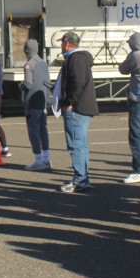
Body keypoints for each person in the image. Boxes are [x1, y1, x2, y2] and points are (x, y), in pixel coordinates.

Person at [53, 31, 98, 193]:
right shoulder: (80, 58)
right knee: (80, 145)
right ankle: (82, 178)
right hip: (82, 107)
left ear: (67, 43)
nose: (60, 46)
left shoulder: (75, 59)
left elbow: (77, 83)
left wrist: (68, 102)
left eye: (62, 43)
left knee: (76, 145)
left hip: (76, 108)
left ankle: (80, 179)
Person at [119, 32, 140, 184]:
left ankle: (139, 169)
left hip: (138, 99)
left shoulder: (136, 55)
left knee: (136, 135)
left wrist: (130, 55)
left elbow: (123, 69)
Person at [20, 39, 51, 171]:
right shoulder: (43, 63)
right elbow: (48, 83)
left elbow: (28, 84)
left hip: (32, 102)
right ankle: (46, 158)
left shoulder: (29, 64)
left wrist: (20, 85)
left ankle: (38, 160)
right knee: (43, 130)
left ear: (26, 50)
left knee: (33, 130)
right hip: (43, 100)